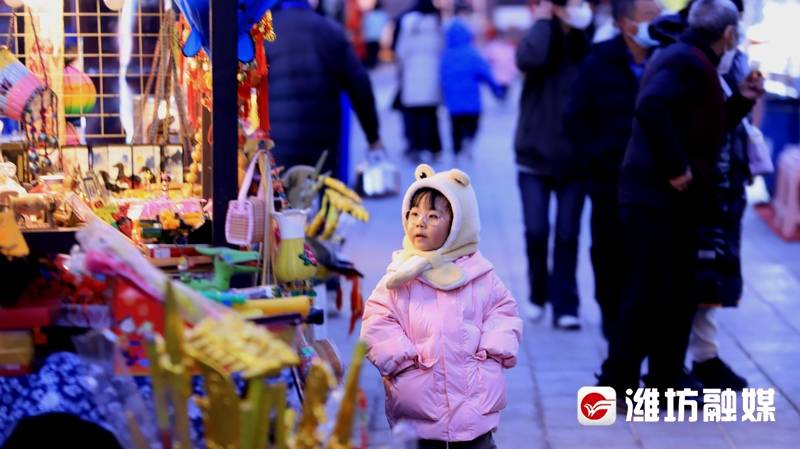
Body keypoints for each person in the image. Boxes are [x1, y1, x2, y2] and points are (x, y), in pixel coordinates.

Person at [596, 0, 764, 398]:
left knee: (676, 293)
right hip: (656, 200)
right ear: (727, 34)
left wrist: (740, 100)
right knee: (647, 291)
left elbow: (704, 124)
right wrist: (676, 169)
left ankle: (666, 377)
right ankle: (618, 381)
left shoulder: (690, 58)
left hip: (669, 202)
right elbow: (652, 108)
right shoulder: (686, 60)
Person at [361, 164, 522, 449]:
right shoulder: (401, 277)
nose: (420, 222)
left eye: (433, 216)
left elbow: (504, 312)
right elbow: (377, 321)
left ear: (459, 224)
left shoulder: (478, 274)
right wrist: (403, 363)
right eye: (414, 214)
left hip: (476, 408)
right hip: (420, 407)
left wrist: (492, 353)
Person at [566, 0, 661, 340]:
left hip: (658, 184)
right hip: (610, 183)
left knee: (651, 264)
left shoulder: (668, 58)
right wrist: (597, 158)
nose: (659, 22)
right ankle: (614, 328)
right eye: (651, 17)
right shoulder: (598, 62)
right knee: (608, 258)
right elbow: (576, 118)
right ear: (626, 24)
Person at [514, 0, 594, 329]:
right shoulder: (539, 37)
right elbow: (528, 59)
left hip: (575, 158)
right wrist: (544, 22)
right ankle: (537, 292)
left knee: (567, 234)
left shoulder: (587, 43)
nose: (575, 7)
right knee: (536, 231)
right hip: (533, 155)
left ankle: (566, 303)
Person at [266, 0, 382, 180]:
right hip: (324, 140)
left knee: (282, 199)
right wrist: (372, 135)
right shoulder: (330, 30)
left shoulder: (266, 32)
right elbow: (360, 85)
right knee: (328, 198)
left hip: (277, 140)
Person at [440, 19, 505, 161]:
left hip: (453, 101)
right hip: (471, 100)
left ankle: (457, 150)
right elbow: (485, 72)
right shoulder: (472, 53)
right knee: (472, 123)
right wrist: (496, 90)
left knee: (455, 125)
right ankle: (469, 139)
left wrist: (441, 95)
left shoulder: (446, 55)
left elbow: (440, 77)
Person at [395, 0, 443, 161]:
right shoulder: (437, 22)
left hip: (412, 72)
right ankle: (432, 147)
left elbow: (401, 50)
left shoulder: (408, 22)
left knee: (412, 113)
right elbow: (441, 48)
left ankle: (414, 146)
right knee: (430, 113)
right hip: (432, 71)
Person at [363, 1, 389, 69]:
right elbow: (386, 24)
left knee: (370, 52)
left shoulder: (368, 15)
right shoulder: (383, 15)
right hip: (377, 36)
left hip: (369, 37)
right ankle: (373, 64)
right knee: (375, 52)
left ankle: (372, 64)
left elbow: (365, 25)